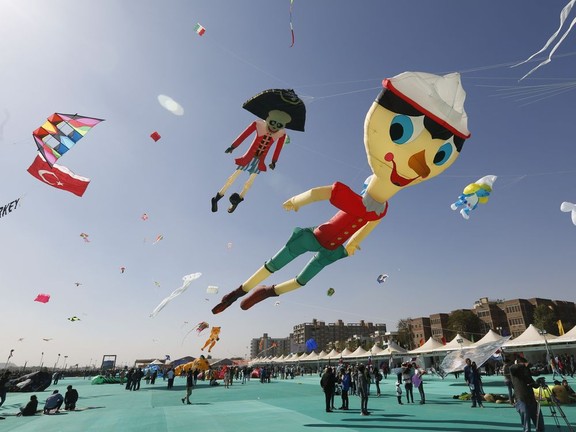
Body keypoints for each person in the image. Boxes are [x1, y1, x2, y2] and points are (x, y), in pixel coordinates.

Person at [211, 71, 470, 314]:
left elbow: (367, 228)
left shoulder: (382, 209)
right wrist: (297, 201)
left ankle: (268, 292)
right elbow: (320, 193)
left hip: (334, 249)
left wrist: (352, 245)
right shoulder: (352, 198)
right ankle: (238, 292)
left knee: (302, 281)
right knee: (274, 263)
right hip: (316, 237)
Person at [510, 357, 544, 432]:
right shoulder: (515, 373)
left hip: (531, 399)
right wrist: (523, 365)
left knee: (539, 422)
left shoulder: (526, 372)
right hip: (521, 399)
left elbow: (534, 385)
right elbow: (512, 368)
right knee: (526, 425)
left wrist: (537, 382)